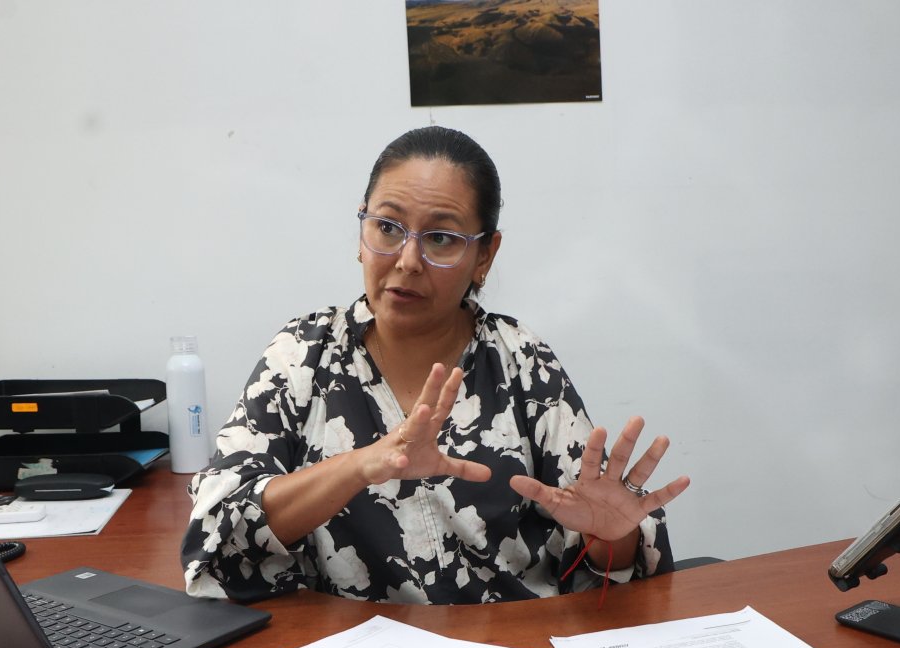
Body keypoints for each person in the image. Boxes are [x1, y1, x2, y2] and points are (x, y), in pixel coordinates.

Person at [181, 127, 690, 604]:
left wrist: (609, 536)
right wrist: (361, 464)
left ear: (485, 256)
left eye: (441, 238)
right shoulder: (302, 355)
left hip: (513, 646)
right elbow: (218, 528)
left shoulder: (519, 360)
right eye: (387, 227)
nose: (407, 260)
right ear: (361, 233)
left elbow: (610, 563)